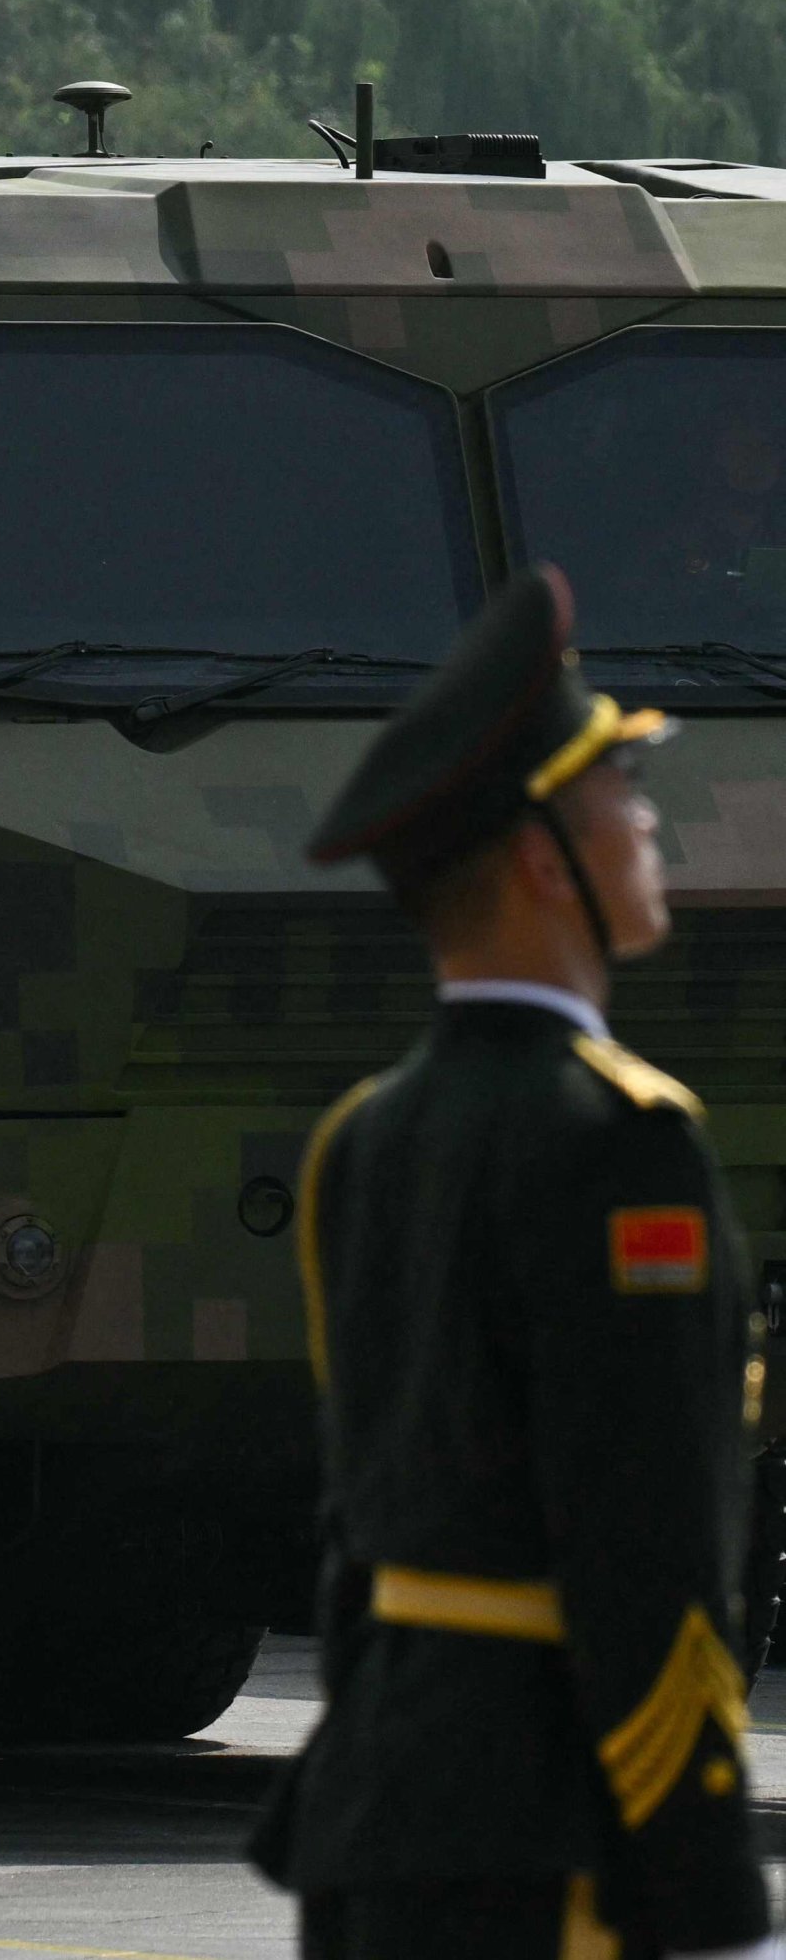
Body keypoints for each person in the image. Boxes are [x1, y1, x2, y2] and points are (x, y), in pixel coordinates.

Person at [257, 564, 774, 1960]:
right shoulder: (621, 1143)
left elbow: (358, 1535)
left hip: (381, 1808)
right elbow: (645, 1529)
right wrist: (697, 1847)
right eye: (619, 792)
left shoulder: (362, 1137)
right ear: (547, 858)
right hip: (545, 1833)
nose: (652, 819)